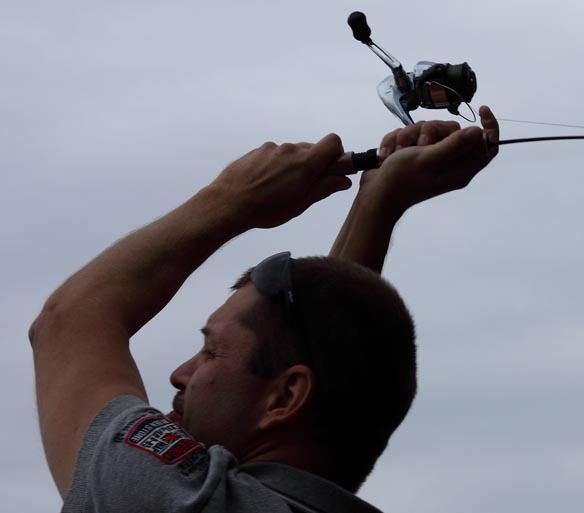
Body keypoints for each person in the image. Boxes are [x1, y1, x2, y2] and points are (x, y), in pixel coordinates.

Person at [29, 107, 501, 512]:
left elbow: (70, 321)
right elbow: (324, 359)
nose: (180, 373)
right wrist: (379, 199)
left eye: (211, 352)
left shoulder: (181, 501)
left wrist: (233, 198)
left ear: (286, 397)